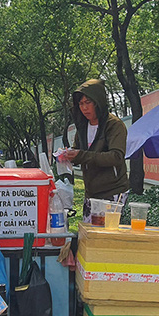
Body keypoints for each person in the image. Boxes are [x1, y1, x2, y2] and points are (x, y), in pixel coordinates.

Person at [58, 79, 129, 221]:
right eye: (81, 104)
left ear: (98, 102)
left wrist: (81, 155)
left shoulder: (114, 125)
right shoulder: (82, 127)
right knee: (89, 236)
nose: (84, 108)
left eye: (88, 102)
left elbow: (116, 157)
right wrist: (69, 155)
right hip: (91, 193)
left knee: (106, 239)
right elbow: (80, 153)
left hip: (113, 192)